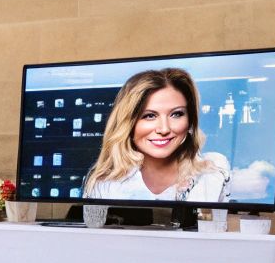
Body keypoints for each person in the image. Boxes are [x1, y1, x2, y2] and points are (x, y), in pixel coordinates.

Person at [83, 69, 230, 203]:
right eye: (149, 116)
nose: (164, 129)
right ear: (128, 124)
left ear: (190, 120)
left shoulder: (214, 171)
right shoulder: (105, 183)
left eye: (176, 114)